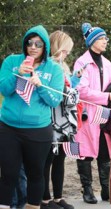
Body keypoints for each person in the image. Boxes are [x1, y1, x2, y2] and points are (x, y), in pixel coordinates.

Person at [0, 25, 65, 209]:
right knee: (8, 174)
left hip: (38, 130)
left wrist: (41, 85)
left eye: (38, 43)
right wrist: (17, 74)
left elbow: (54, 101)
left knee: (36, 174)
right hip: (8, 128)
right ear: (25, 44)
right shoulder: (11, 61)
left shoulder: (54, 69)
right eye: (30, 42)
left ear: (45, 46)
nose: (33, 46)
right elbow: (3, 89)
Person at [74, 22, 111, 204]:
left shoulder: (108, 63)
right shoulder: (82, 62)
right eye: (102, 38)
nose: (105, 41)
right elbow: (81, 90)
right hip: (87, 114)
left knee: (105, 151)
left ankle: (106, 190)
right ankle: (87, 190)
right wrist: (107, 96)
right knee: (85, 152)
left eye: (105, 38)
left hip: (104, 113)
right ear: (92, 41)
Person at [41, 30, 76, 209]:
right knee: (47, 159)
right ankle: (45, 199)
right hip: (50, 118)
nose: (66, 54)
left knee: (60, 159)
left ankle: (58, 197)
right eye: (65, 51)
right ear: (57, 48)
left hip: (64, 119)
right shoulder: (47, 66)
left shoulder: (64, 67)